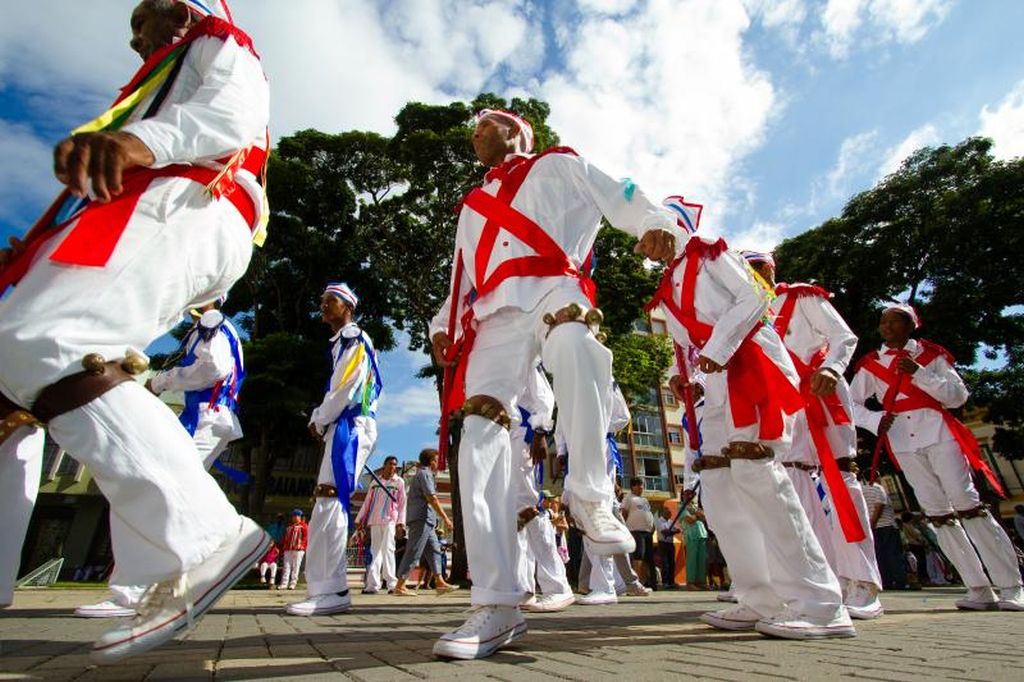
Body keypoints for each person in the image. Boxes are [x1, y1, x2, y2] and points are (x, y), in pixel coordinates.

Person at [0, 0, 270, 663]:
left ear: (177, 11)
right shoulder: (174, 66)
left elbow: (234, 117)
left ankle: (203, 539)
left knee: (46, 340)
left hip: (191, 193)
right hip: (163, 201)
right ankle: (180, 552)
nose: (132, 40)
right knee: (22, 346)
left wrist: (136, 140)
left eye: (140, 23)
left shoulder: (217, 39)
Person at [428, 108, 681, 659]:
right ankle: (495, 602)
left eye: (484, 125)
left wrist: (655, 221)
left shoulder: (558, 164)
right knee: (478, 434)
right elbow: (461, 276)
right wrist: (441, 327)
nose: (474, 134)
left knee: (574, 340)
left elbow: (621, 192)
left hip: (553, 283)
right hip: (492, 315)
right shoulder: (471, 206)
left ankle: (591, 495)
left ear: (517, 131)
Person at [650, 196, 853, 639]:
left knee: (757, 472)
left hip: (753, 366)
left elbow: (755, 296)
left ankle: (820, 603)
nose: (641, 243)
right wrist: (680, 380)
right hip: (718, 387)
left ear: (673, 226)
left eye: (648, 229)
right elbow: (686, 346)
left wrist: (717, 352)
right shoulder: (668, 285)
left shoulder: (709, 251)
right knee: (720, 484)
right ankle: (758, 597)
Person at [851, 304, 1023, 611]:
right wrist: (874, 421)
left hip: (938, 432)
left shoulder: (931, 356)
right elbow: (851, 404)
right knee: (936, 511)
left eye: (894, 322)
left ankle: (1011, 584)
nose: (887, 327)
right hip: (902, 439)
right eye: (883, 323)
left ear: (910, 326)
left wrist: (920, 374)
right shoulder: (870, 364)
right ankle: (978, 587)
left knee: (967, 503)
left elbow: (958, 396)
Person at [744, 250, 883, 619]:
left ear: (772, 270)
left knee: (842, 475)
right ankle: (825, 580)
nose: (755, 274)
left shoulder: (801, 297)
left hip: (822, 390)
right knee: (794, 483)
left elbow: (844, 337)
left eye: (760, 267)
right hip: (786, 403)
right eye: (747, 269)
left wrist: (834, 369)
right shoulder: (748, 313)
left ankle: (863, 582)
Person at [287, 282, 382, 616]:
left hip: (351, 426)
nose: (324, 306)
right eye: (322, 300)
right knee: (328, 498)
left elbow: (347, 386)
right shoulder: (343, 342)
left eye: (331, 301)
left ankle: (333, 589)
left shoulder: (354, 338)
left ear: (348, 307)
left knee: (330, 497)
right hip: (344, 425)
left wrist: (319, 417)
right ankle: (325, 588)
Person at [512, 366, 575, 613]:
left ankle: (557, 587)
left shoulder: (523, 354)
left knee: (527, 509)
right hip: (503, 438)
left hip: (522, 436)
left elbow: (545, 397)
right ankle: (521, 589)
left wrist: (539, 433)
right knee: (511, 516)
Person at [393, 449, 457, 597]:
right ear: (431, 461)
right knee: (414, 550)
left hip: (427, 520)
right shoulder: (424, 474)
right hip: (421, 518)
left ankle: (439, 582)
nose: (438, 463)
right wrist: (446, 518)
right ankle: (400, 585)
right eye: (436, 460)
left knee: (434, 549)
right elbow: (432, 498)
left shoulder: (424, 474)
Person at [355, 455, 407, 595]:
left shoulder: (399, 482)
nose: (393, 467)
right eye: (390, 464)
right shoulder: (375, 482)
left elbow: (402, 504)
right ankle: (372, 585)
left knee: (388, 550)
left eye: (395, 464)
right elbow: (367, 502)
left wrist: (401, 523)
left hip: (390, 520)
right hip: (374, 520)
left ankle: (391, 584)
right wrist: (360, 519)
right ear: (384, 465)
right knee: (375, 552)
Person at [861, 478, 906, 590]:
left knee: (879, 555)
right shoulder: (878, 488)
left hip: (871, 527)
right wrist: (873, 522)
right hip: (886, 525)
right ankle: (900, 581)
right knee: (893, 554)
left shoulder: (861, 489)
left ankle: (886, 581)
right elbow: (879, 506)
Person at [621, 477, 658, 590]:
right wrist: (624, 528)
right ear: (633, 486)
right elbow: (624, 513)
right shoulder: (628, 498)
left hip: (647, 532)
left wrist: (652, 526)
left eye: (642, 485)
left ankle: (650, 582)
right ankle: (638, 582)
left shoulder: (644, 500)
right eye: (638, 485)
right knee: (638, 556)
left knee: (649, 558)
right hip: (635, 531)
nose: (641, 487)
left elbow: (649, 514)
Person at [280, 509, 308, 591]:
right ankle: (284, 583)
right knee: (286, 566)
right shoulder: (289, 526)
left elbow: (305, 537)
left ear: (300, 517)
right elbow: (285, 538)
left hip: (298, 549)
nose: (295, 517)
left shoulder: (304, 526)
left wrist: (302, 546)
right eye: (294, 516)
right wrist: (283, 547)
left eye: (297, 516)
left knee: (296, 566)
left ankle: (293, 583)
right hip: (288, 549)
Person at [682, 502, 708, 589]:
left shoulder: (696, 506)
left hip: (702, 535)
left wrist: (696, 514)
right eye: (687, 493)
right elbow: (689, 520)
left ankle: (701, 582)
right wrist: (698, 515)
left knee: (701, 560)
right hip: (691, 536)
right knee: (692, 560)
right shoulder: (682, 507)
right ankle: (690, 582)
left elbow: (705, 517)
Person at [656, 507, 681, 588]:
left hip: (670, 543)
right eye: (668, 513)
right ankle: (665, 582)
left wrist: (671, 532)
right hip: (663, 544)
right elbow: (665, 532)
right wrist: (672, 532)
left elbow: (678, 530)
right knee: (665, 563)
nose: (670, 515)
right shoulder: (659, 521)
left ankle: (671, 581)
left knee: (672, 563)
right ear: (664, 513)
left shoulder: (670, 521)